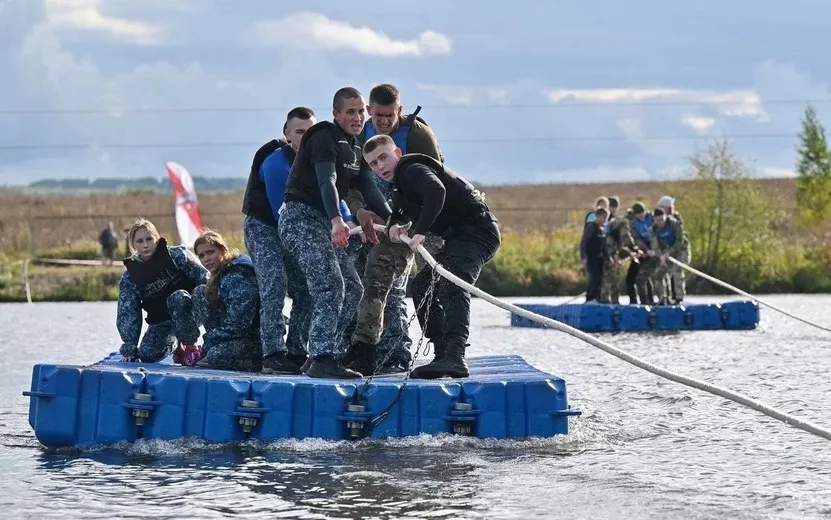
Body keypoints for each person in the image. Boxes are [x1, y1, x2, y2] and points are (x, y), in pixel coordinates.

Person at [361, 134, 501, 379]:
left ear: (397, 155)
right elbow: (400, 211)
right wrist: (395, 224)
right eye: (373, 163)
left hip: (478, 232)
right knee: (422, 284)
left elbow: (436, 190)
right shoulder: (401, 186)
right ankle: (441, 352)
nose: (380, 166)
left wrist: (421, 231)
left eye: (383, 158)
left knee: (453, 283)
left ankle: (455, 356)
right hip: (459, 237)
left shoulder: (411, 169)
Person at [280, 87, 390, 379]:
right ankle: (321, 357)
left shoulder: (356, 145)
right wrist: (337, 220)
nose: (357, 117)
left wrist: (393, 221)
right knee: (330, 285)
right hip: (301, 218)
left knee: (353, 288)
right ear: (336, 114)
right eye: (350, 112)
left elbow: (367, 186)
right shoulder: (324, 136)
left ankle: (326, 352)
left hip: (322, 220)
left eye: (360, 112)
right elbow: (327, 180)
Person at [242, 107, 356, 374]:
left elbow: (334, 192)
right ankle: (272, 352)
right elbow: (279, 208)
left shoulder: (318, 156)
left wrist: (348, 219)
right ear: (287, 134)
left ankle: (298, 349)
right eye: (299, 132)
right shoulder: (275, 162)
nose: (306, 138)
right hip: (265, 226)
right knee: (275, 282)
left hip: (295, 226)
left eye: (310, 132)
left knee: (307, 285)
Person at [344, 83, 445, 375]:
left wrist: (419, 228)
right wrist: (358, 210)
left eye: (390, 115)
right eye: (378, 116)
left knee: (414, 283)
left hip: (417, 215)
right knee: (370, 282)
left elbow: (435, 182)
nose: (384, 121)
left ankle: (405, 351)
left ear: (399, 111)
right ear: (368, 112)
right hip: (373, 217)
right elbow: (350, 181)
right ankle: (363, 350)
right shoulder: (358, 135)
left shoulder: (417, 134)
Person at [117, 218, 208, 363]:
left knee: (178, 297)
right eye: (140, 241)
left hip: (190, 313)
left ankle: (190, 348)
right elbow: (128, 312)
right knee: (147, 355)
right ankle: (175, 347)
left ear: (157, 239)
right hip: (162, 321)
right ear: (133, 245)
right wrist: (130, 347)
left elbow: (205, 279)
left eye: (149, 239)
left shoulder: (178, 255)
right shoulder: (130, 276)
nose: (146, 245)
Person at [191, 230, 262, 371]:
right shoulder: (221, 274)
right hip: (234, 337)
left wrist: (210, 341)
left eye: (210, 252)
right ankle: (214, 348)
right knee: (200, 292)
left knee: (216, 355)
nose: (206, 259)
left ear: (223, 250)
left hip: (254, 340)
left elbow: (239, 325)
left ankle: (259, 363)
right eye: (201, 256)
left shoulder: (237, 275)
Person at [649, 208, 690, 305]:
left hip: (680, 250)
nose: (660, 223)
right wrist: (661, 256)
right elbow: (655, 246)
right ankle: (663, 298)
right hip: (665, 254)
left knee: (677, 271)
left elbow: (679, 241)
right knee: (658, 275)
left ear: (665, 217)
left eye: (662, 220)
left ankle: (679, 298)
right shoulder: (653, 230)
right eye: (657, 220)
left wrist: (669, 253)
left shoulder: (674, 224)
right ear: (654, 219)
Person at [600, 197, 635, 304]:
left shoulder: (616, 219)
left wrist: (628, 251)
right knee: (608, 277)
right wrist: (632, 248)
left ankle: (615, 301)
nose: (613, 209)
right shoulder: (611, 220)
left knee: (616, 278)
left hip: (615, 252)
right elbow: (626, 239)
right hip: (607, 253)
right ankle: (604, 300)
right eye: (611, 206)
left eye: (615, 207)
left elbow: (621, 241)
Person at [630, 202, 657, 305]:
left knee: (645, 277)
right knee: (643, 277)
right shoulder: (633, 224)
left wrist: (654, 249)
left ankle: (654, 300)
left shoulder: (652, 218)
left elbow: (657, 234)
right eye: (638, 214)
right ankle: (645, 302)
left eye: (642, 213)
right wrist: (645, 250)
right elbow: (636, 239)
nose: (641, 215)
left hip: (656, 249)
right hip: (644, 251)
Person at [580, 206, 608, 302]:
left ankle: (597, 298)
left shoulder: (602, 229)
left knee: (601, 279)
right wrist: (583, 256)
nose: (605, 220)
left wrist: (608, 258)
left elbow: (604, 245)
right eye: (603, 218)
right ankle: (590, 299)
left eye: (606, 218)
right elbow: (584, 242)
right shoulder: (591, 227)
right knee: (594, 278)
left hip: (600, 258)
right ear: (598, 217)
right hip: (591, 258)